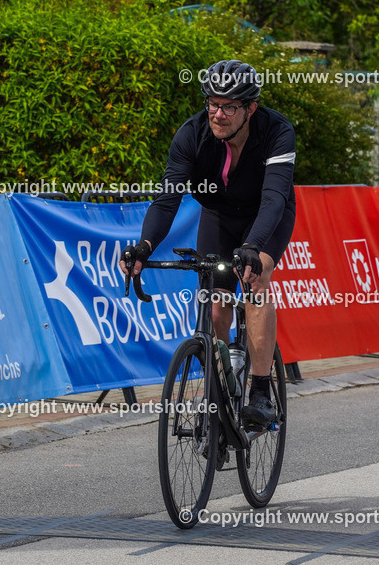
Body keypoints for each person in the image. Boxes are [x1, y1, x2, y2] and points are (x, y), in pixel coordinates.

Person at [119, 59, 297, 426]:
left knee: (256, 279)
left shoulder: (277, 131)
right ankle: (220, 388)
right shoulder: (191, 135)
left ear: (251, 108)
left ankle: (261, 391)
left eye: (229, 106)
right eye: (212, 104)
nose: (218, 114)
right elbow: (167, 200)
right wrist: (144, 246)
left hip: (266, 215)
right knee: (217, 302)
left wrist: (253, 245)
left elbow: (275, 198)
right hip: (218, 215)